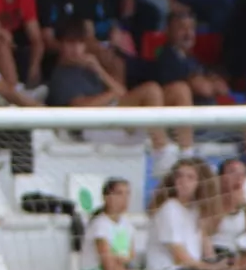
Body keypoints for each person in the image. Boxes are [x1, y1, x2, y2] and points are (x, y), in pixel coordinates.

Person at [44, 18, 178, 162]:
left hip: (109, 117)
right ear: (61, 45)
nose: (76, 49)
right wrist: (110, 95)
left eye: (80, 43)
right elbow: (80, 109)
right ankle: (162, 154)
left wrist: (99, 71)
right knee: (151, 90)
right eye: (70, 43)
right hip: (90, 127)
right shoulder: (61, 75)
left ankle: (183, 152)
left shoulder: (88, 67)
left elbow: (121, 92)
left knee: (178, 90)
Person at [143, 158, 246, 270]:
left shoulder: (195, 210)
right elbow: (180, 258)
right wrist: (211, 268)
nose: (183, 182)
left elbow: (206, 249)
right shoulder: (168, 209)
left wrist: (217, 263)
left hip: (191, 269)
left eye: (190, 177)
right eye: (180, 176)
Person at [78, 176, 185, 270]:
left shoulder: (127, 225)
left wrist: (120, 261)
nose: (125, 198)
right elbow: (109, 267)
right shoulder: (100, 225)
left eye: (127, 193)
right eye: (119, 193)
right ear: (107, 197)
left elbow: (129, 258)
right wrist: (121, 262)